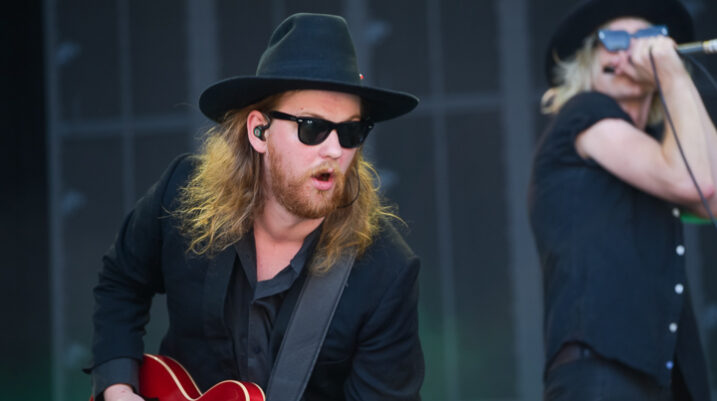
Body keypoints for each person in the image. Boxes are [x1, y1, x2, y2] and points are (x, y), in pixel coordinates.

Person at [88, 13, 424, 401]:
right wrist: (117, 388)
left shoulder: (385, 273)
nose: (335, 150)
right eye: (312, 128)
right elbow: (121, 280)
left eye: (351, 131)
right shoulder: (181, 193)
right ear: (258, 131)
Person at [528, 0, 717, 399]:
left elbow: (712, 197)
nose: (631, 51)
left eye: (647, 38)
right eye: (615, 40)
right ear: (589, 62)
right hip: (602, 373)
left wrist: (675, 77)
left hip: (663, 378)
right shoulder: (583, 115)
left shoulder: (658, 150)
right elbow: (694, 181)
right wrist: (670, 75)